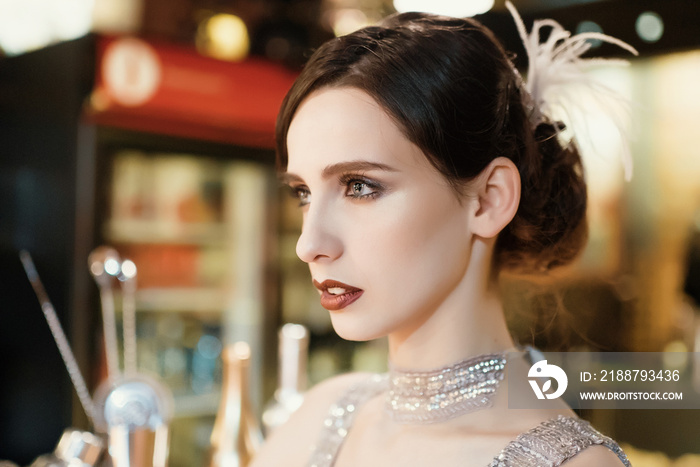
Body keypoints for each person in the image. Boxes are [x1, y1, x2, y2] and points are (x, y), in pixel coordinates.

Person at [252, 4, 633, 466]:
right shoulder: (316, 419)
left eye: (359, 186)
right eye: (304, 193)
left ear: (489, 199)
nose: (308, 245)